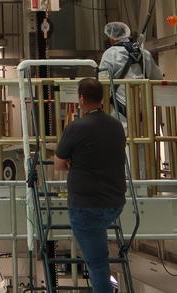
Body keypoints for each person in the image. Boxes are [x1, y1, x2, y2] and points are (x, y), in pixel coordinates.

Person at [54, 78, 127, 293]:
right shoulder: (116, 126)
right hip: (114, 203)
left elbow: (59, 163)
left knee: (96, 264)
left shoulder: (76, 128)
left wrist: (74, 162)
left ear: (81, 99)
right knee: (99, 253)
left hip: (86, 206)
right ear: (102, 98)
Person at [97, 21, 162, 121]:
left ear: (111, 38)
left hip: (119, 113)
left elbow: (103, 84)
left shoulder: (110, 54)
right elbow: (158, 78)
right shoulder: (145, 53)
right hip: (144, 113)